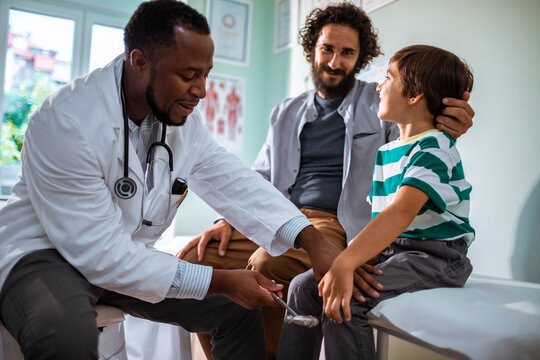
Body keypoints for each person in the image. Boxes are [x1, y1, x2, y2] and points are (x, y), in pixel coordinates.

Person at [0, 1, 340, 359]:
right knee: (65, 338)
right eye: (189, 75)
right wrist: (221, 280)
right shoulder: (67, 121)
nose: (203, 90)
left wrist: (311, 239)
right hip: (45, 254)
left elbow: (235, 182)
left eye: (206, 74)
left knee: (236, 311)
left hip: (120, 258)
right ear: (140, 62)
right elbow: (100, 254)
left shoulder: (178, 122)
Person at [178, 3, 475, 359]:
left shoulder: (379, 103)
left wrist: (450, 121)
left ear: (360, 57)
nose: (335, 62)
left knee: (266, 264)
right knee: (197, 260)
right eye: (328, 49)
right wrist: (228, 220)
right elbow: (261, 176)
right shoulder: (285, 111)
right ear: (312, 49)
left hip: (331, 221)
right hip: (280, 212)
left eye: (347, 53)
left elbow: (423, 129)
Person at [277, 44, 475, 360]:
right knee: (303, 287)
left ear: (414, 95)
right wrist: (352, 257)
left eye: (388, 78)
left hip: (435, 256)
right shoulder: (388, 151)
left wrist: (346, 262)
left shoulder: (435, 149)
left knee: (348, 299)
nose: (379, 87)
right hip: (394, 249)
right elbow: (381, 220)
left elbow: (400, 211)